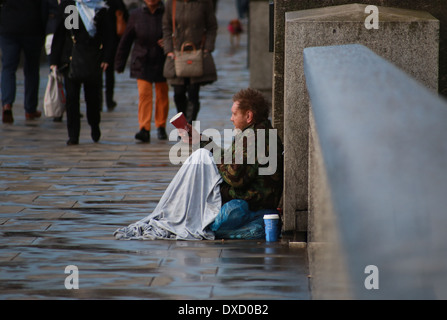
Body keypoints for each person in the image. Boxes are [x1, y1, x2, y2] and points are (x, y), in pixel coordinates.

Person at [114, 88, 283, 240]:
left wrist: (209, 156)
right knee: (200, 161)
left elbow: (234, 177)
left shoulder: (253, 138)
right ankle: (173, 214)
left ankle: (172, 215)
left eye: (234, 114)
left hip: (250, 198)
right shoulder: (257, 132)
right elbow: (231, 162)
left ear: (248, 116)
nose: (231, 119)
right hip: (251, 194)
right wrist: (201, 140)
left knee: (200, 162)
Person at [50, 0, 114, 145]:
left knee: (92, 97)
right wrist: (54, 60)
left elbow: (108, 35)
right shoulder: (69, 5)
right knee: (71, 98)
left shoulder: (100, 7)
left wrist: (106, 58)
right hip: (70, 58)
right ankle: (73, 135)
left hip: (92, 58)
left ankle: (94, 123)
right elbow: (60, 33)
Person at [115, 0, 169, 143]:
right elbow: (126, 40)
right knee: (144, 94)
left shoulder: (167, 13)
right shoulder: (136, 15)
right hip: (141, 60)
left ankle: (161, 125)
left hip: (161, 59)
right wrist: (119, 63)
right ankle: (144, 128)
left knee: (162, 93)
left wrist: (169, 41)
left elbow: (176, 32)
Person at [162, 0, 217, 124]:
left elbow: (212, 26)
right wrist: (169, 50)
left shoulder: (204, 3)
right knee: (178, 92)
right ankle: (183, 125)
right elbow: (166, 27)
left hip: (196, 53)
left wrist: (207, 47)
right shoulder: (172, 3)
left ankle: (189, 127)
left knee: (193, 92)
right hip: (177, 53)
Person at [0, 0, 46, 123]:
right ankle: (30, 109)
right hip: (33, 27)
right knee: (32, 69)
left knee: (8, 68)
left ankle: (7, 104)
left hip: (8, 27)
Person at [104, 0, 128, 111]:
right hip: (113, 41)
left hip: (98, 42)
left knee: (96, 74)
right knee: (109, 74)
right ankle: (109, 101)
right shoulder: (117, 2)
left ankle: (98, 101)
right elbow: (126, 17)